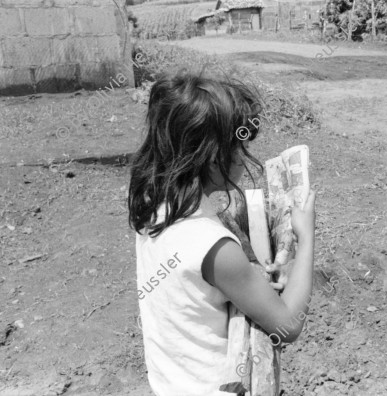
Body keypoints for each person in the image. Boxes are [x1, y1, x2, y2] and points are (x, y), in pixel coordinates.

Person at [128, 71, 317, 395]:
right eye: (240, 145)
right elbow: (288, 325)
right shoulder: (214, 246)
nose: (244, 155)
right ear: (215, 158)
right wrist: (307, 237)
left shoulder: (154, 213)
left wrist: (255, 279)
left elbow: (201, 294)